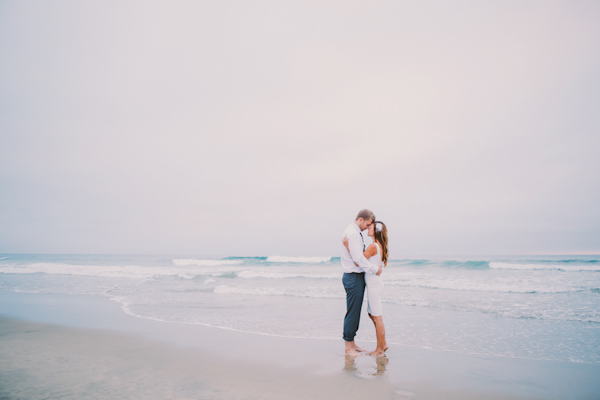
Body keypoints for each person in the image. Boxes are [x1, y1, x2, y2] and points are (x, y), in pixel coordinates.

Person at [340, 209, 382, 356]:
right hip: (353, 276)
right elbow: (358, 259)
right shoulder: (353, 234)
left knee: (355, 311)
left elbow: (356, 256)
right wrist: (374, 269)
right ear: (361, 220)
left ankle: (352, 343)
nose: (367, 228)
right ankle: (348, 347)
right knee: (353, 312)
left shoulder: (354, 233)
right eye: (368, 224)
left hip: (354, 276)